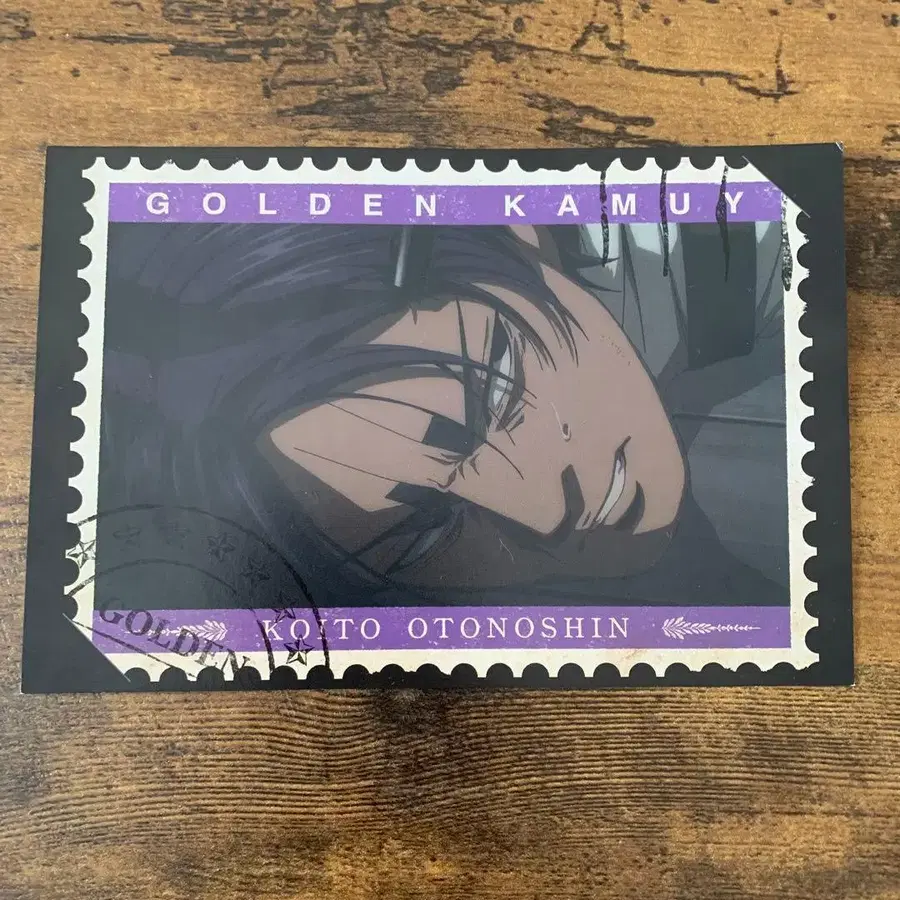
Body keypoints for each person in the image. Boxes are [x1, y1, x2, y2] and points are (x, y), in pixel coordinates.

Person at [98, 216, 788, 610]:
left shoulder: (752, 259)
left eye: (499, 395)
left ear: (523, 236)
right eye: (426, 531)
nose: (545, 515)